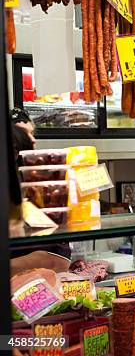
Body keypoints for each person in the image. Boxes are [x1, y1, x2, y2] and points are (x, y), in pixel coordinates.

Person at [10, 109, 71, 275]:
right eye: (23, 134)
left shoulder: (42, 186)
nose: (32, 140)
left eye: (32, 133)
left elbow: (60, 258)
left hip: (41, 285)